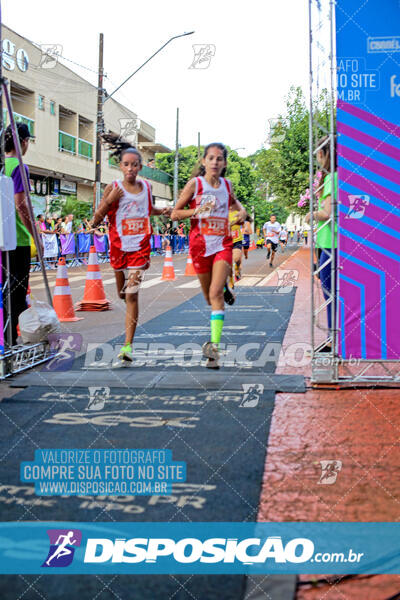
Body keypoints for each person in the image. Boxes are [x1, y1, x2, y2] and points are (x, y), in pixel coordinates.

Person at [91, 134, 171, 362]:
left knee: (133, 294)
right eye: (126, 164)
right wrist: (108, 202)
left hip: (140, 248)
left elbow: (147, 209)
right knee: (122, 294)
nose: (130, 169)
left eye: (134, 165)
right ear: (120, 166)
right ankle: (124, 301)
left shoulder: (146, 186)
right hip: (118, 248)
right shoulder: (113, 188)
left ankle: (127, 346)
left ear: (140, 167)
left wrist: (163, 210)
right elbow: (96, 220)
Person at [171, 142, 246, 369]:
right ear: (204, 161)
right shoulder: (195, 184)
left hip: (222, 244)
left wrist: (241, 212)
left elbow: (236, 205)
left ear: (224, 164)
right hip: (199, 246)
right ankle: (223, 288)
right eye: (211, 158)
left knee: (214, 294)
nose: (215, 162)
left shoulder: (227, 185)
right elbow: (175, 214)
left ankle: (214, 350)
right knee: (209, 297)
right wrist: (197, 211)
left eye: (219, 158)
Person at [2, 123, 38, 346]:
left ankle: (5, 338)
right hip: (17, 239)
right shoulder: (19, 167)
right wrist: (36, 235)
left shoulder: (1, 164)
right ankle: (10, 340)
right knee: (16, 292)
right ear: (23, 142)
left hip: (1, 238)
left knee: (4, 290)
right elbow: (21, 205)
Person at [305, 135, 337, 350]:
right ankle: (334, 337)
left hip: (330, 242)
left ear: (326, 154)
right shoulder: (340, 176)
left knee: (330, 293)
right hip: (334, 241)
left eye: (319, 154)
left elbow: (327, 213)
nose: (318, 159)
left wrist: (310, 215)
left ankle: (334, 338)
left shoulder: (331, 178)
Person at [229, 205, 244, 285]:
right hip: (225, 241)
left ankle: (237, 269)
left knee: (236, 259)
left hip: (236, 240)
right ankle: (231, 282)